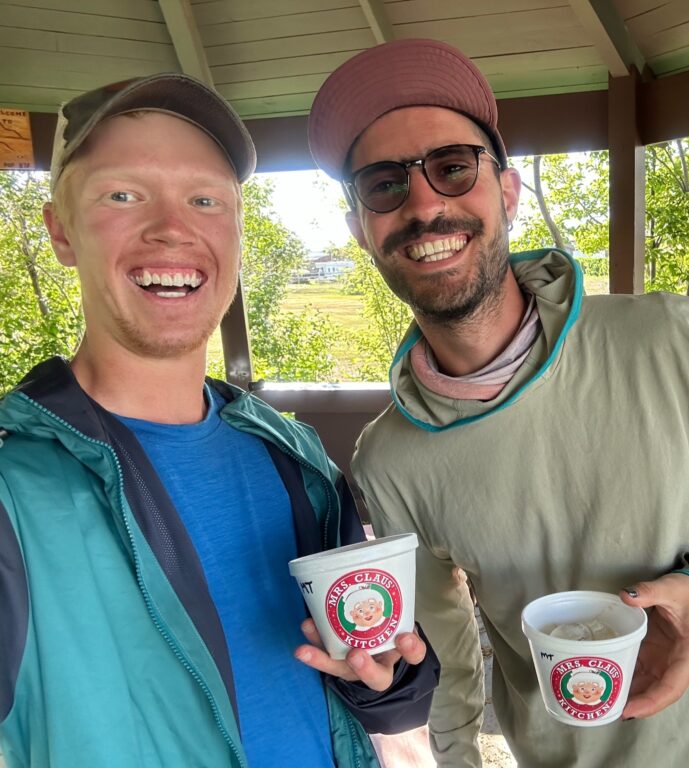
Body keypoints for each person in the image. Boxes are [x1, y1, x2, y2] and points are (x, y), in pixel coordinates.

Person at [308, 39, 689, 768]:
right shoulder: (389, 458)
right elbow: (447, 657)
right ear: (360, 230)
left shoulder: (668, 337)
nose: (425, 203)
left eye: (454, 167)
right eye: (383, 185)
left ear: (509, 193)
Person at [0, 73, 438, 768]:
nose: (172, 227)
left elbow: (385, 701)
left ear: (237, 233)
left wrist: (391, 675)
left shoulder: (295, 457)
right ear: (60, 230)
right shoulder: (13, 493)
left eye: (205, 199)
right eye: (123, 194)